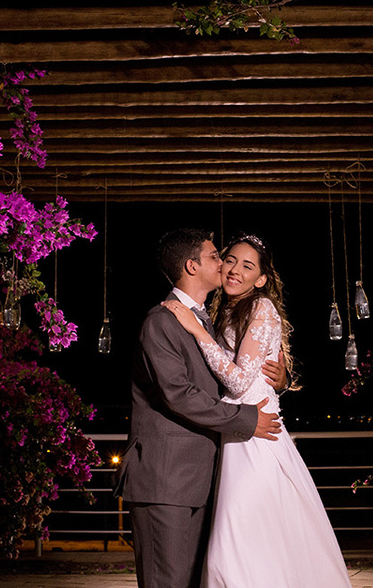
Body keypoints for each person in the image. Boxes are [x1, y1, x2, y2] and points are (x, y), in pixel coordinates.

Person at [162, 233, 352, 588]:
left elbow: (237, 382)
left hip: (255, 436)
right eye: (229, 260)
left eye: (247, 266)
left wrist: (195, 331)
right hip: (236, 432)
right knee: (248, 537)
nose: (233, 269)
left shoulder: (260, 308)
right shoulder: (229, 308)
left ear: (261, 279)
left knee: (236, 538)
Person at [116, 229, 284, 588]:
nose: (223, 264)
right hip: (166, 481)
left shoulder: (206, 320)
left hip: (199, 478)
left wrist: (277, 378)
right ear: (192, 266)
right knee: (167, 582)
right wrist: (247, 419)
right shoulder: (161, 321)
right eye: (215, 257)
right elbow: (179, 394)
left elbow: (235, 372)